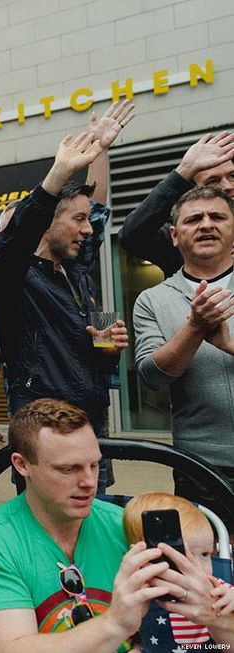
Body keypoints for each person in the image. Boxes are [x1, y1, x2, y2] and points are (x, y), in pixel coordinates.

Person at [0, 120, 133, 490]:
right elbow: (16, 239)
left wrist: (108, 343)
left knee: (92, 524)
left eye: (87, 221)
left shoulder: (80, 272)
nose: (87, 229)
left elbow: (97, 213)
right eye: (77, 219)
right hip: (46, 431)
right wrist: (57, 175)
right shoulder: (11, 278)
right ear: (46, 223)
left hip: (92, 425)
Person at [0, 398, 174, 653]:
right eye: (68, 469)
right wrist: (114, 624)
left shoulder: (125, 524)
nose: (88, 481)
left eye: (94, 465)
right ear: (22, 465)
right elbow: (15, 648)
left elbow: (171, 626)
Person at [132, 186, 234, 530]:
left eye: (217, 216)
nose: (206, 225)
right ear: (175, 236)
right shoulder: (152, 300)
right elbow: (153, 376)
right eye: (194, 219)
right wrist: (194, 327)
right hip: (200, 466)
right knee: (214, 569)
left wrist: (228, 344)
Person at [122, 492, 234, 649]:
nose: (198, 567)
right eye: (182, 556)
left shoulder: (221, 592)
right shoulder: (139, 594)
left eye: (205, 554)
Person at [120, 132, 234, 276]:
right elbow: (132, 236)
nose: (228, 186)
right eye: (213, 181)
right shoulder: (185, 236)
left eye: (232, 176)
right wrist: (183, 171)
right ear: (194, 190)